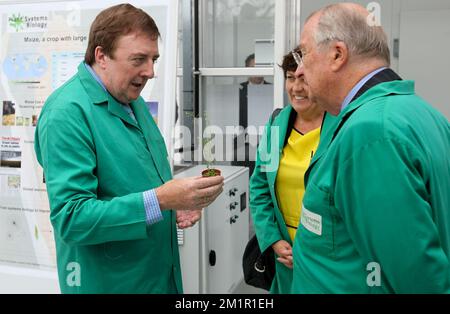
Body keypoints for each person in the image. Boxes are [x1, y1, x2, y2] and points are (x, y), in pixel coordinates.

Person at [34, 4, 224, 294]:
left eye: (154, 59)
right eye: (138, 59)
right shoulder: (66, 113)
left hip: (155, 277)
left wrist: (177, 203)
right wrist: (160, 200)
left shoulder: (130, 98)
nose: (150, 72)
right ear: (101, 56)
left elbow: (137, 181)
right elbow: (72, 219)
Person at [291, 3, 450, 293]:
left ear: (337, 55)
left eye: (303, 54)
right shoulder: (420, 113)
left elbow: (414, 277)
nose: (299, 70)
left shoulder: (371, 132)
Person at [249, 51, 335, 293]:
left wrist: (311, 250)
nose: (296, 87)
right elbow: (259, 188)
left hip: (327, 257)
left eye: (304, 79)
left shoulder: (342, 126)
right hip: (284, 256)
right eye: (290, 77)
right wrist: (273, 239)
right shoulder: (277, 123)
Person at [235, 53, 271, 175]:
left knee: (263, 177)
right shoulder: (238, 90)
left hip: (265, 141)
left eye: (260, 67)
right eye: (253, 67)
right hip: (241, 143)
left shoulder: (273, 89)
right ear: (246, 69)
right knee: (241, 178)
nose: (257, 71)